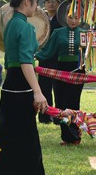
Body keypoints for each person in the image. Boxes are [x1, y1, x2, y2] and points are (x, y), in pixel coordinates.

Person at [0, 0, 48, 175]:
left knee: (6, 133)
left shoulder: (10, 24)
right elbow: (26, 62)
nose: (36, 7)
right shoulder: (27, 27)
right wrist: (37, 91)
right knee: (23, 135)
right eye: (36, 2)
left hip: (9, 83)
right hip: (21, 85)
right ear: (27, 2)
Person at [35, 12, 85, 145]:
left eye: (76, 17)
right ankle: (66, 137)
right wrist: (34, 55)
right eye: (70, 17)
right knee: (61, 103)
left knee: (74, 102)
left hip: (79, 71)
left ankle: (75, 136)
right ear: (65, 17)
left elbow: (90, 53)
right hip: (61, 70)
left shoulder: (85, 33)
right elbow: (48, 50)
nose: (73, 20)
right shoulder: (58, 32)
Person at [37, 0, 62, 123]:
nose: (51, 4)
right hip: (44, 57)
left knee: (58, 88)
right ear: (44, 4)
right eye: (48, 2)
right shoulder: (42, 19)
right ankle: (45, 116)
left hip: (58, 58)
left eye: (54, 1)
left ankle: (58, 117)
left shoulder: (62, 20)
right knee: (44, 87)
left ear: (58, 4)